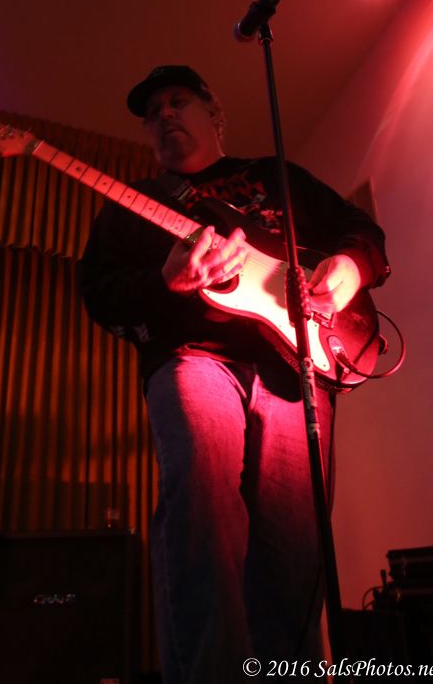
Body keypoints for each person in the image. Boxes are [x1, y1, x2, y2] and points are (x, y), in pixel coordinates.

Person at [78, 65, 390, 684]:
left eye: (178, 101)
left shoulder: (274, 177)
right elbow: (100, 296)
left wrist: (350, 268)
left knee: (295, 543)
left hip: (295, 363)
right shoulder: (132, 205)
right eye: (152, 112)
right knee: (202, 506)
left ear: (213, 113)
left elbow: (361, 231)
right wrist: (164, 282)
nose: (164, 114)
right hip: (192, 355)